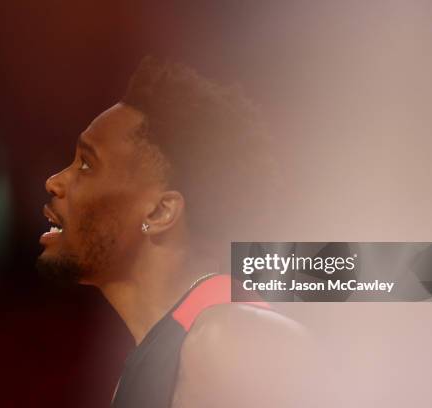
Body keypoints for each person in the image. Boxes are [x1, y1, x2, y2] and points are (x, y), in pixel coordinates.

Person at [37, 57, 314, 407]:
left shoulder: (230, 339)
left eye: (87, 164)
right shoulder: (143, 372)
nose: (54, 181)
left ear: (159, 211)